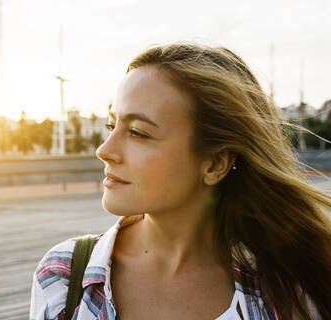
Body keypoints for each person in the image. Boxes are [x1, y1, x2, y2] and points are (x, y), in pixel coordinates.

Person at [30, 43, 331, 320]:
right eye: (112, 125)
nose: (104, 150)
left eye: (137, 132)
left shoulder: (290, 293)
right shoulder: (64, 277)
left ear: (215, 164)